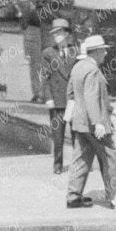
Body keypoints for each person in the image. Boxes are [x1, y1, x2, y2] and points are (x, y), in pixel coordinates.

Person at [65, 34, 116, 207]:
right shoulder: (93, 70)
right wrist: (98, 123)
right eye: (103, 50)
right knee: (111, 159)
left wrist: (110, 109)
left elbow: (71, 94)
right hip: (93, 124)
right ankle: (115, 197)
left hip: (80, 123)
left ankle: (73, 196)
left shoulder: (78, 67)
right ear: (96, 52)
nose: (105, 54)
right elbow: (91, 96)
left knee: (81, 158)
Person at [38, 17, 75, 173]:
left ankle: (79, 163)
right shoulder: (48, 53)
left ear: (66, 34)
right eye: (54, 34)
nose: (56, 36)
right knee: (58, 135)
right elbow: (44, 77)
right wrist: (48, 98)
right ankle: (58, 164)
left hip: (73, 101)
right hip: (57, 100)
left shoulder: (76, 51)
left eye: (59, 33)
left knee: (77, 134)